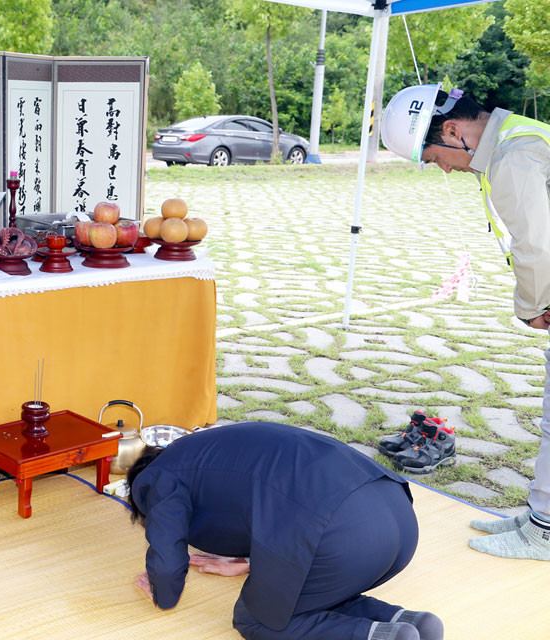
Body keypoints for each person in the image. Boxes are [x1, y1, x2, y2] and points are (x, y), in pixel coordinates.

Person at [382, 84, 550, 561]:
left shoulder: (513, 158)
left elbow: (536, 245)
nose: (442, 168)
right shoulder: (520, 138)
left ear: (453, 131)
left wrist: (531, 307)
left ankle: (544, 531)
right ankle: (542, 512)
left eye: (434, 157)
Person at [126, 422, 444, 640]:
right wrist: (250, 562)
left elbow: (168, 559)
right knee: (309, 596)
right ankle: (409, 624)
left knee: (256, 618)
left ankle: (373, 637)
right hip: (395, 510)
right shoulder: (208, 449)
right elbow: (269, 494)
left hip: (339, 533)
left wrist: (161, 591)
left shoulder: (158, 477)